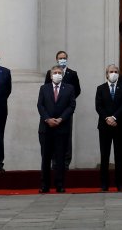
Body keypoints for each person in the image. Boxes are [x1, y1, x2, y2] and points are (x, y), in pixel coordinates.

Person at [38, 65, 77, 193]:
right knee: (46, 158)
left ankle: (59, 184)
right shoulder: (44, 88)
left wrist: (61, 119)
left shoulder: (69, 88)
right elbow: (40, 105)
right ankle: (45, 185)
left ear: (63, 75)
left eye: (59, 72)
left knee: (60, 158)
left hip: (61, 128)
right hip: (46, 128)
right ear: (50, 75)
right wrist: (47, 119)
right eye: (55, 72)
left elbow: (71, 106)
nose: (57, 74)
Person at [95, 64, 122, 191]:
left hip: (119, 126)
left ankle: (119, 183)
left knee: (119, 156)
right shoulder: (100, 88)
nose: (113, 73)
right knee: (104, 156)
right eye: (111, 71)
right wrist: (107, 118)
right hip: (104, 126)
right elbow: (98, 106)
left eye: (116, 71)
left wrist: (114, 117)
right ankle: (104, 184)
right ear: (106, 74)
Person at [45, 51, 81, 168]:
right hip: (52, 111)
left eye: (64, 58)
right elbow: (46, 90)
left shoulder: (72, 74)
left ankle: (66, 162)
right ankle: (54, 162)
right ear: (56, 59)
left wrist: (68, 102)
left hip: (66, 111)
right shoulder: (50, 73)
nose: (62, 60)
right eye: (60, 58)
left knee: (67, 136)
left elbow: (77, 90)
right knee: (53, 136)